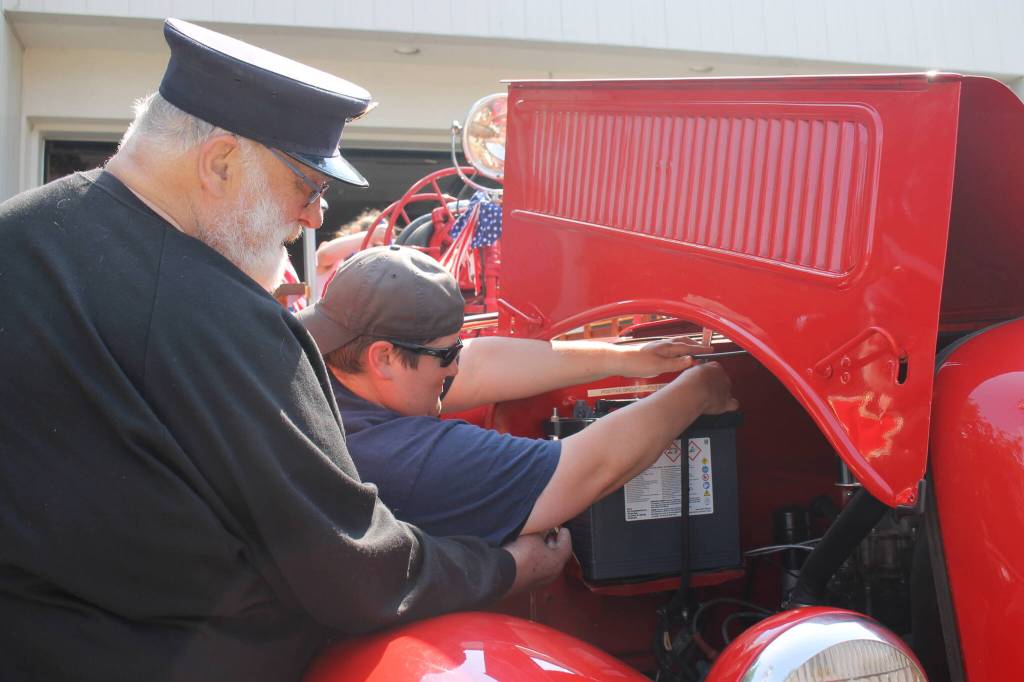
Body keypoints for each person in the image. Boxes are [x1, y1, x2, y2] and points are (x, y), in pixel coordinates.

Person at [0, 18, 568, 682]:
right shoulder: (219, 312)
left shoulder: (18, 239)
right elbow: (352, 572)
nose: (314, 217)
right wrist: (504, 566)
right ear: (219, 163)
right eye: (308, 185)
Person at [298, 246, 739, 546]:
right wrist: (698, 392)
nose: (455, 366)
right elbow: (586, 471)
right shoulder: (400, 458)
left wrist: (624, 358)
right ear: (384, 359)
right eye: (446, 354)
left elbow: (481, 364)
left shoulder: (318, 374)